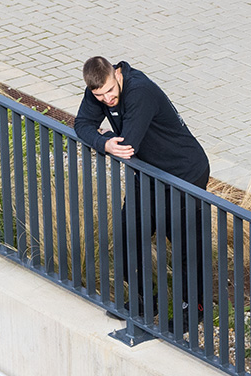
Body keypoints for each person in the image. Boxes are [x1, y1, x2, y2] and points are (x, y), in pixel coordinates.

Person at [74, 57, 211, 327]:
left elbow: (127, 146)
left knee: (185, 245)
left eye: (110, 91)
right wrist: (104, 143)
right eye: (100, 96)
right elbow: (81, 124)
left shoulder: (140, 91)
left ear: (117, 74)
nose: (107, 99)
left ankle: (193, 307)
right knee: (128, 235)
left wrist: (104, 139)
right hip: (148, 173)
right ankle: (144, 298)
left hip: (184, 173)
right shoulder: (98, 87)